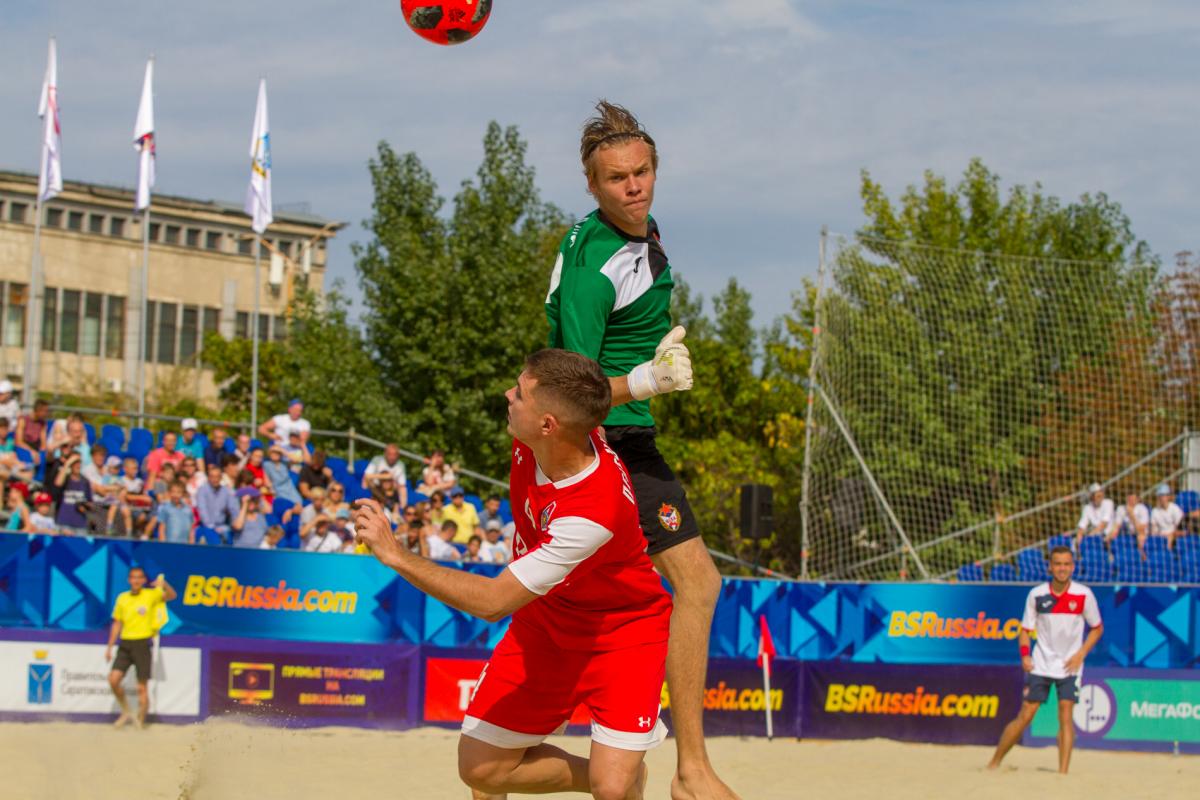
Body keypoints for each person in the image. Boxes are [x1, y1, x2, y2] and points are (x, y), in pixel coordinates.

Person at [354, 349, 671, 800]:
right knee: (481, 771)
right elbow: (592, 399)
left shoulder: (590, 514)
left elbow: (492, 602)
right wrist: (648, 380)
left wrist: (395, 554)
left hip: (623, 634)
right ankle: (606, 778)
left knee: (613, 789)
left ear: (548, 425)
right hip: (547, 620)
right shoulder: (550, 435)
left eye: (519, 393)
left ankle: (617, 780)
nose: (508, 394)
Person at [545, 100, 725, 799]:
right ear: (591, 184)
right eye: (616, 178)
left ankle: (496, 764)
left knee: (571, 604)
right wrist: (649, 379)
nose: (633, 186)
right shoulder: (597, 262)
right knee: (697, 585)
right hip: (603, 444)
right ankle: (691, 772)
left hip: (614, 441)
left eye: (641, 171)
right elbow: (570, 393)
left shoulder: (634, 229)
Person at [988, 546, 1102, 774]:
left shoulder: (1084, 594)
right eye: (1057, 564)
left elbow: (1097, 628)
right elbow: (1024, 630)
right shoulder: (1037, 594)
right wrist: (1025, 655)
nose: (1062, 568)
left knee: (1066, 714)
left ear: (1073, 567)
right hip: (1041, 663)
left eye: (1066, 564)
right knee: (1026, 715)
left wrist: (1081, 654)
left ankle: (1062, 774)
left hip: (1070, 666)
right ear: (1050, 567)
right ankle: (994, 763)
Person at [106, 567, 177, 728]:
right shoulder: (122, 598)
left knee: (141, 688)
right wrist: (109, 647)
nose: (136, 580)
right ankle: (126, 711)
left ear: (144, 580)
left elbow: (172, 595)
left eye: (139, 577)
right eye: (133, 577)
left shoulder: (151, 595)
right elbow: (117, 623)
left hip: (142, 644)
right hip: (125, 644)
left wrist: (164, 584)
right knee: (113, 679)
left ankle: (140, 723)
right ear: (129, 580)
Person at [196, 463, 239, 543]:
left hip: (222, 526)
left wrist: (235, 523)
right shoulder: (202, 490)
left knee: (232, 536)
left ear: (221, 478)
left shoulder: (226, 491)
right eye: (212, 476)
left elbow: (233, 509)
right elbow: (203, 511)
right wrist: (212, 527)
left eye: (217, 477)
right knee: (213, 538)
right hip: (206, 526)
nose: (215, 479)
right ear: (208, 477)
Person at [53, 453, 93, 536]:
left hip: (80, 523)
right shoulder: (65, 478)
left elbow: (90, 502)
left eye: (79, 462)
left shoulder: (85, 481)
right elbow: (58, 483)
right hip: (64, 522)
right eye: (75, 462)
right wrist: (67, 463)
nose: (78, 465)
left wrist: (85, 507)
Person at [1074, 483, 1113, 548]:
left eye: (1101, 494)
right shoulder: (1087, 508)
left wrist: (1089, 536)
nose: (1099, 497)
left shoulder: (1108, 503)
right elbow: (1082, 526)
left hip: (1109, 535)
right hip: (1096, 537)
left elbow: (1104, 524)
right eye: (1097, 495)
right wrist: (1078, 541)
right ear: (1091, 497)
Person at [14, 399, 50, 464]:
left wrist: (42, 453)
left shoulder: (43, 423)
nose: (47, 414)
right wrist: (32, 451)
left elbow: (43, 443)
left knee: (44, 457)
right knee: (30, 457)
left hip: (35, 447)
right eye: (45, 411)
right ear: (38, 410)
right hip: (23, 447)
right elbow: (18, 442)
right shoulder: (23, 420)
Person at [1150, 483, 1184, 550]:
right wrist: (1157, 535)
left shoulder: (1175, 508)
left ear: (1168, 496)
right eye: (1159, 496)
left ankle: (1168, 554)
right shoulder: (1154, 511)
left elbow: (1179, 527)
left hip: (1173, 534)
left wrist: (1170, 534)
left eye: (1163, 495)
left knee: (1169, 538)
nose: (1161, 498)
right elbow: (1153, 529)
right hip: (1160, 536)